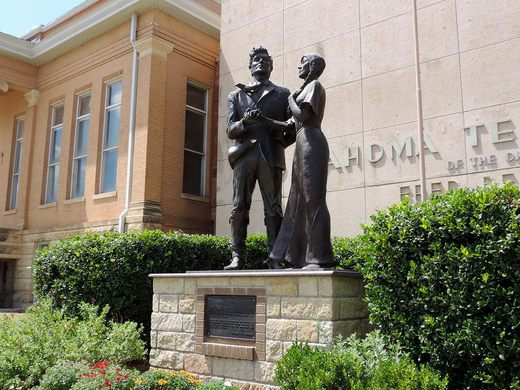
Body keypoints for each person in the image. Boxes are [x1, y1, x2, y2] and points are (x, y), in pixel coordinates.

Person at [224, 47, 295, 270]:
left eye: (265, 60)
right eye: (256, 59)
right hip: (244, 156)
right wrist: (245, 122)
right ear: (250, 66)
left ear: (271, 66)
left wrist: (279, 140)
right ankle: (237, 256)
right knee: (238, 207)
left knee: (273, 209)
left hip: (271, 156)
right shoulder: (236, 95)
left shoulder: (283, 94)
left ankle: (275, 257)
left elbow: (292, 129)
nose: (260, 63)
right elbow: (230, 130)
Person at [267, 53, 334, 269]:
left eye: (303, 62)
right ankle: (284, 256)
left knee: (313, 200)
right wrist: (263, 120)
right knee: (296, 202)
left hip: (312, 142)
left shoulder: (314, 85)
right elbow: (290, 124)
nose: (299, 66)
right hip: (302, 143)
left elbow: (302, 116)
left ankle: (319, 257)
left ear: (312, 67)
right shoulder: (304, 90)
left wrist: (289, 99)